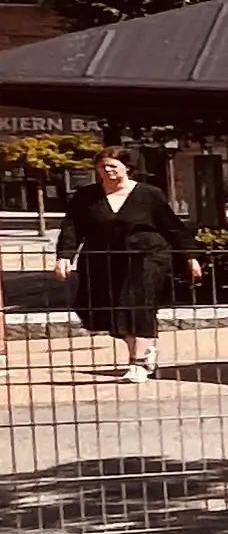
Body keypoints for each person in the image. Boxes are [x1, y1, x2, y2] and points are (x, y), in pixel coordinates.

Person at [60, 144, 195, 382]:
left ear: (127, 168)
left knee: (137, 304)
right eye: (103, 167)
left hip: (147, 255)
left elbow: (172, 227)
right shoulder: (86, 197)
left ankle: (137, 362)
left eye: (113, 166)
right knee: (106, 311)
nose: (108, 171)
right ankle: (144, 348)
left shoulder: (148, 195)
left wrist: (190, 256)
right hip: (104, 258)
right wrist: (64, 255)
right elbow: (73, 227)